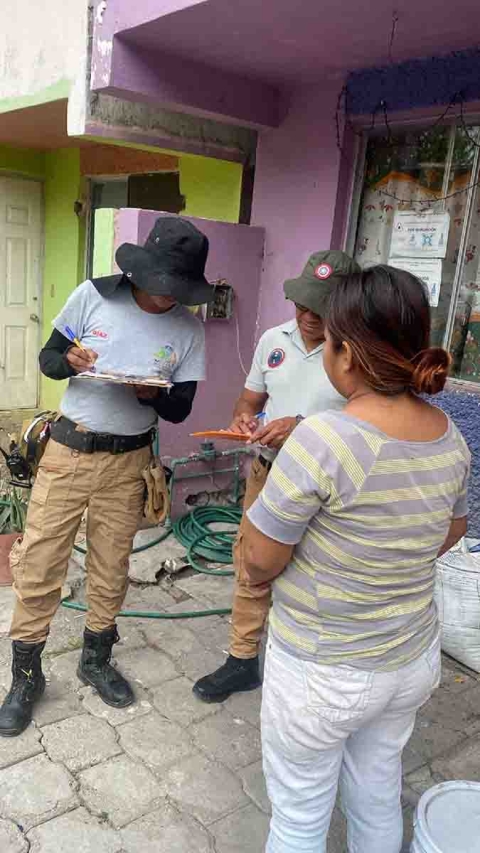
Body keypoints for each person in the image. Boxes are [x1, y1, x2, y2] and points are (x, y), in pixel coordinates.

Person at [242, 265, 470, 853]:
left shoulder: (323, 438)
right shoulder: (450, 435)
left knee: (298, 816)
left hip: (325, 669)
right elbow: (452, 531)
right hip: (409, 660)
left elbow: (256, 564)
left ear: (345, 354)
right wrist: (384, 560)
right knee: (375, 790)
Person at [0, 216, 213, 738]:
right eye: (161, 285)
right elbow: (49, 358)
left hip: (130, 463)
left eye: (177, 290)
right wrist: (69, 359)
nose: (167, 297)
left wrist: (154, 395)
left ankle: (95, 659)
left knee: (112, 563)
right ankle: (25, 677)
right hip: (70, 452)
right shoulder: (94, 296)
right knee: (42, 560)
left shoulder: (189, 327)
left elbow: (182, 407)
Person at [193, 251, 360, 703]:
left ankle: (314, 671)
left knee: (319, 574)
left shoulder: (360, 354)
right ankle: (242, 660)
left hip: (331, 491)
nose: (307, 316)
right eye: (302, 304)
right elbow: (247, 403)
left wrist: (303, 426)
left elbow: (371, 426)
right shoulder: (274, 339)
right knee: (252, 563)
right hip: (268, 476)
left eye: (320, 308)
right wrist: (246, 421)